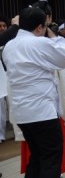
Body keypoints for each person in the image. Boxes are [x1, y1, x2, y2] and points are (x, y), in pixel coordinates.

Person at [2, 6, 65, 178]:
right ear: (40, 27)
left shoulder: (9, 46)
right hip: (42, 111)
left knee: (37, 156)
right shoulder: (40, 42)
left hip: (22, 112)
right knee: (50, 157)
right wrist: (52, 35)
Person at [0, 15, 9, 144]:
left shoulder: (13, 40)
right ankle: (1, 135)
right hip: (1, 77)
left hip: (13, 76)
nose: (2, 28)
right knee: (1, 108)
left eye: (4, 26)